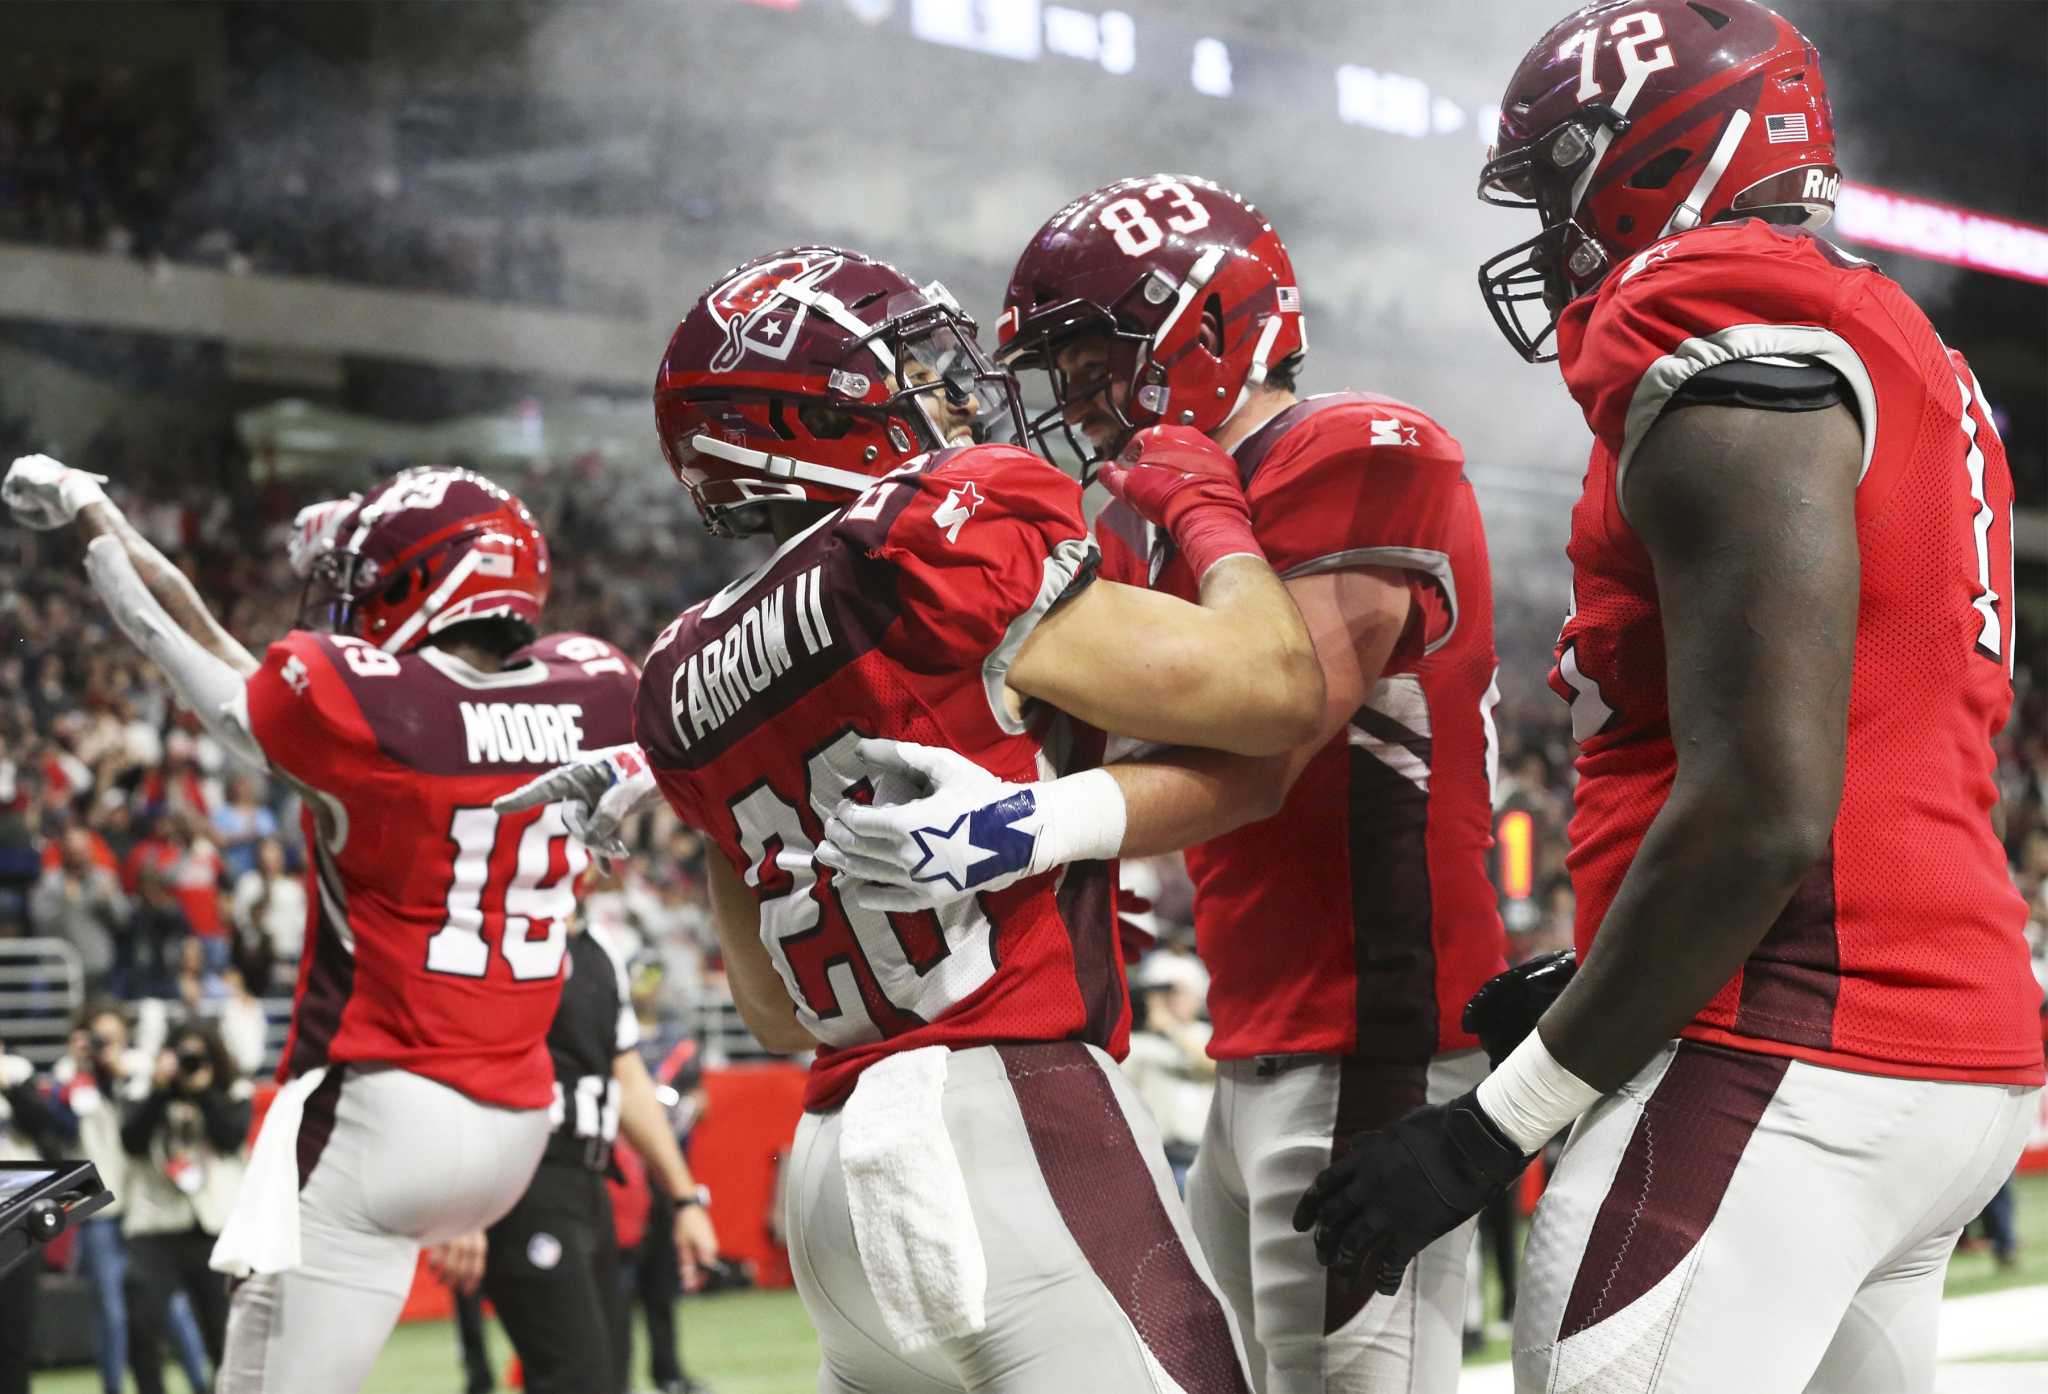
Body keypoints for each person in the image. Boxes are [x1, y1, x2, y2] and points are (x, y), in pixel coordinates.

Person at [1294, 5, 2045, 1392]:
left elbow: (1766, 807)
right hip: (1937, 1043)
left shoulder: (1714, 316)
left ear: (1658, 150)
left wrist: (1491, 1129)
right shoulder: (1902, 354)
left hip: (1786, 1051)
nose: (1551, 220)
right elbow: (1864, 744)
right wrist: (1612, 967)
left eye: (1561, 171)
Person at [501, 244, 1331, 1393]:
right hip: (1011, 1117)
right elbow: (1278, 687)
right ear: (806, 419)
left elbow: (776, 1013)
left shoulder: (678, 671)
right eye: (911, 372)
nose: (952, 395)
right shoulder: (931, 530)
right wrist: (1205, 506)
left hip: (833, 1173)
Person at [821, 176, 1508, 1394]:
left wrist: (1032, 823)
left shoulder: (1352, 445)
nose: (1074, 398)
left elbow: (1264, 747)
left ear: (1205, 327)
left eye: (1094, 358)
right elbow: (1072, 740)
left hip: (1371, 1019)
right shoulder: (1154, 516)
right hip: (1254, 1026)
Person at [1, 456, 641, 1394]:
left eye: (366, 581)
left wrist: (91, 507)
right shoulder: (598, 687)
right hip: (516, 1122)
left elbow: (179, 638)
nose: (347, 603)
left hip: (382, 1113)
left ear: (429, 582)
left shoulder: (367, 705)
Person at [426, 913, 720, 1394]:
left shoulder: (597, 946)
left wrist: (685, 1198)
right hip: (524, 1172)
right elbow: (453, 1056)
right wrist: (465, 1194)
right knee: (575, 1380)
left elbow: (626, 1076)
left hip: (589, 1181)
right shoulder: (496, 923)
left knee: (607, 1378)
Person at [47, 1002, 215, 1394]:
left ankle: (201, 1382)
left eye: (112, 1036)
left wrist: (120, 1075)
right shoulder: (69, 1072)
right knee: (110, 1310)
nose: (106, 1045)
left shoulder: (140, 1066)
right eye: (98, 1037)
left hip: (142, 1200)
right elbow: (59, 1128)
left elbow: (143, 1127)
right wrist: (80, 1069)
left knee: (171, 1307)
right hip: (94, 1200)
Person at [119, 1020, 250, 1394]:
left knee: (223, 1332)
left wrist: (204, 1091)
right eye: (183, 1056)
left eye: (198, 1057)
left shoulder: (230, 1090)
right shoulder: (146, 1090)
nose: (190, 1064)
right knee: (142, 1323)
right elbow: (131, 1141)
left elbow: (230, 1137)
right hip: (155, 1224)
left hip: (212, 1225)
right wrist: (162, 1090)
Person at [1120, 951, 1215, 1196]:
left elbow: (1213, 1063)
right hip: (1155, 1156)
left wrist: (1171, 1029)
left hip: (1200, 1157)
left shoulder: (1204, 1034)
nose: (1173, 1001)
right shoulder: (1138, 1043)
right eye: (1166, 993)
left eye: (1179, 992)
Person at [28, 823, 129, 992]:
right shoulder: (50, 881)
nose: (79, 857)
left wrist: (109, 901)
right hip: (60, 971)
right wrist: (65, 901)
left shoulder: (104, 878)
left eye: (82, 851)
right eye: (73, 852)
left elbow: (123, 920)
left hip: (99, 970)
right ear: (64, 852)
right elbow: (38, 920)